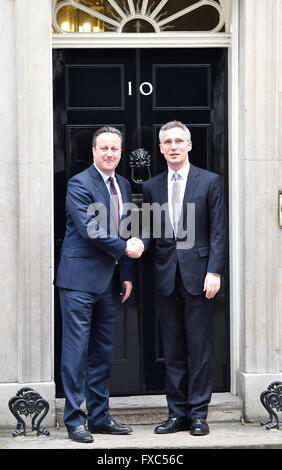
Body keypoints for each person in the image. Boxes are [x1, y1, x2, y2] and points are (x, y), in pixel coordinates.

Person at [55, 126, 144, 443]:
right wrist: (126, 248)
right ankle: (74, 420)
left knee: (102, 353)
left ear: (121, 153)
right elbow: (91, 229)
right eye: (104, 148)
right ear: (93, 151)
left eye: (115, 149)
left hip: (111, 282)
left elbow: (126, 230)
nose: (110, 153)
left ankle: (100, 417)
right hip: (79, 281)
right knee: (76, 354)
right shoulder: (79, 184)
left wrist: (129, 272)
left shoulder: (122, 183)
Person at [142, 121, 227, 436]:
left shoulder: (209, 182)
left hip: (200, 277)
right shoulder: (152, 186)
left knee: (199, 348)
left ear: (189, 145)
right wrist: (136, 242)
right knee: (173, 350)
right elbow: (149, 228)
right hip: (166, 277)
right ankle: (177, 414)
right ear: (161, 148)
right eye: (167, 142)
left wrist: (214, 271)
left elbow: (218, 229)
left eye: (179, 141)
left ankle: (199, 414)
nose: (173, 146)